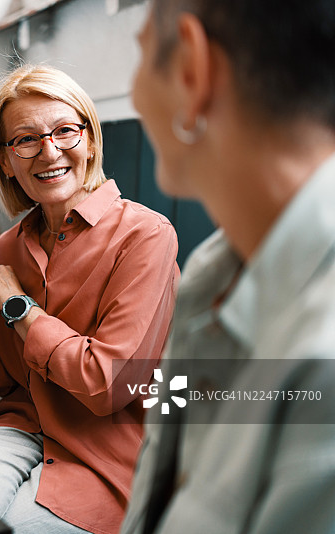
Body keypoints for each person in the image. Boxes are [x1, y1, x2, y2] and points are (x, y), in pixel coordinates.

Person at [0, 64, 180, 534]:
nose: (49, 151)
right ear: (5, 160)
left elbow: (108, 385)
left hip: (105, 452)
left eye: (65, 130)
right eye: (26, 139)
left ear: (89, 138)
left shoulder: (146, 235)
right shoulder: (6, 249)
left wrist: (21, 308)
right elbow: (13, 380)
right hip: (21, 427)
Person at [121, 1, 335, 533]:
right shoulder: (207, 277)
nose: (133, 89)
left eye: (142, 52)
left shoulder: (321, 365)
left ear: (192, 71)